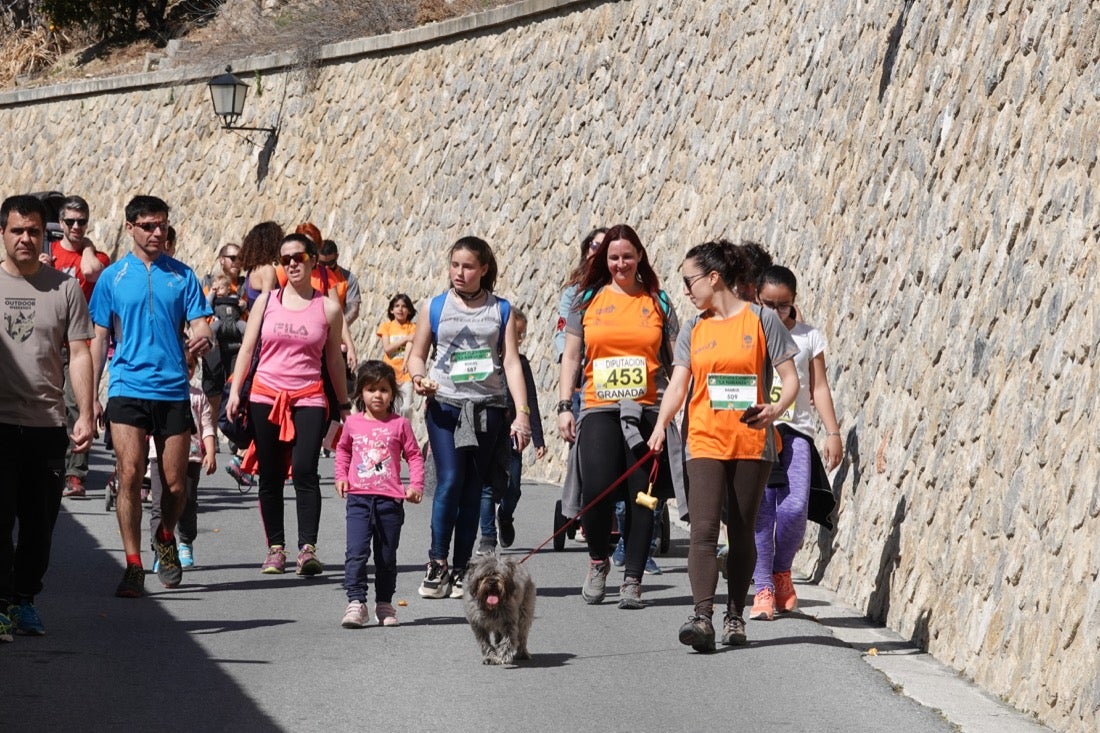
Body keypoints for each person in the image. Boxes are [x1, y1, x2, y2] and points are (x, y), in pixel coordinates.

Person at [647, 239, 800, 651]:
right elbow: (679, 382)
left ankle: (735, 616)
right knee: (702, 531)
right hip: (704, 439)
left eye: (688, 280)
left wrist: (774, 409)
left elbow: (791, 381)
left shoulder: (762, 320)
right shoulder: (694, 328)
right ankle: (702, 617)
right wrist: (662, 425)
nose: (685, 289)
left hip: (752, 441)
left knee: (743, 531)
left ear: (713, 278)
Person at [89, 195, 215, 598]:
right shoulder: (113, 277)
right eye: (148, 225)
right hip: (127, 386)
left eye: (162, 225)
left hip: (173, 388)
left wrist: (203, 339)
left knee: (177, 486)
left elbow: (202, 325)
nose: (158, 232)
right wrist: (92, 394)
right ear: (131, 228)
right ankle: (133, 564)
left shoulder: (182, 276)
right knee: (129, 475)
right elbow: (98, 338)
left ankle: (165, 535)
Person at [557, 223, 680, 610]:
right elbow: (572, 356)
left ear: (640, 256)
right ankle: (598, 560)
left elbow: (679, 361)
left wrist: (676, 410)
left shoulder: (658, 301)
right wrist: (564, 405)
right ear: (602, 259)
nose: (621, 264)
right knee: (597, 492)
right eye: (613, 257)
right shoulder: (587, 299)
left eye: (628, 256)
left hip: (648, 408)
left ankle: (633, 579)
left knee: (643, 497)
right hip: (599, 406)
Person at [404, 236, 531, 600]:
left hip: (488, 407)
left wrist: (521, 415)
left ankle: (462, 569)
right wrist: (418, 378)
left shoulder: (501, 310)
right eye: (455, 265)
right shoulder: (435, 306)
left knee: (475, 488)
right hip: (445, 404)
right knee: (450, 480)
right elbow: (416, 355)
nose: (460, 273)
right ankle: (437, 562)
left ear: (484, 269)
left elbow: (511, 363)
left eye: (468, 266)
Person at [225, 233, 351, 575]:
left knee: (306, 470)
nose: (292, 263)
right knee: (271, 473)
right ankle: (275, 549)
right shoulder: (267, 302)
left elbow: (334, 362)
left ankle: (307, 549)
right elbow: (248, 350)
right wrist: (236, 390)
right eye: (285, 259)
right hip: (266, 394)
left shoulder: (327, 307)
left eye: (298, 257)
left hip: (308, 397)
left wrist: (343, 404)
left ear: (312, 259)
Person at [0, 195, 95, 639]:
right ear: (3, 234)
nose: (25, 238)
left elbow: (79, 353)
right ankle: (1, 603)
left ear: (46, 235)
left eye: (33, 231)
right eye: (17, 230)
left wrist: (87, 412)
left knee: (40, 526)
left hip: (46, 425)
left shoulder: (65, 288)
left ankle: (24, 600)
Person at [750, 265, 843, 620]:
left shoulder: (808, 337)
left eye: (783, 306)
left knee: (793, 508)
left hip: (797, 431)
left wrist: (832, 432)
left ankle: (781, 570)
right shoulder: (749, 334)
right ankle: (763, 587)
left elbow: (819, 387)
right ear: (756, 298)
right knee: (762, 511)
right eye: (768, 304)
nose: (775, 313)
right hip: (757, 432)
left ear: (794, 303)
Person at [335, 361, 424, 628]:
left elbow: (415, 456)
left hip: (390, 502)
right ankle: (356, 602)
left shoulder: (400, 425)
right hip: (359, 500)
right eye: (371, 389)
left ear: (393, 394)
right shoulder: (352, 423)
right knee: (356, 552)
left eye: (384, 389)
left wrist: (416, 485)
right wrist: (340, 476)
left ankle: (384, 604)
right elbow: (343, 451)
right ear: (360, 392)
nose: (378, 395)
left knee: (386, 556)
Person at [42, 195, 110, 500]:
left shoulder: (96, 256)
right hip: (47, 340)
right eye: (69, 221)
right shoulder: (47, 252)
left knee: (77, 405)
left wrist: (86, 246)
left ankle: (75, 474)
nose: (76, 226)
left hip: (79, 342)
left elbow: (95, 273)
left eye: (82, 221)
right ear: (61, 222)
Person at [478, 308, 545, 555]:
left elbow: (531, 400)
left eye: (521, 334)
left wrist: (537, 436)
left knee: (513, 487)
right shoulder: (483, 360)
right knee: (486, 487)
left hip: (512, 435)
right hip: (486, 430)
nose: (517, 338)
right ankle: (487, 538)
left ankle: (505, 516)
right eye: (513, 333)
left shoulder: (521, 364)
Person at [147, 351, 217, 570]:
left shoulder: (197, 396)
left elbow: (207, 426)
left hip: (191, 457)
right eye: (181, 365)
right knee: (159, 503)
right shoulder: (158, 393)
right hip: (158, 456)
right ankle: (161, 549)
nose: (185, 370)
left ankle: (185, 542)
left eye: (189, 366)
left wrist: (211, 452)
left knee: (186, 502)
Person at [201, 243, 246, 427]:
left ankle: (234, 430)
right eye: (232, 258)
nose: (237, 262)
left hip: (237, 345)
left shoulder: (244, 285)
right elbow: (202, 310)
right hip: (215, 344)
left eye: (240, 258)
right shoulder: (209, 282)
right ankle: (210, 431)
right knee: (213, 390)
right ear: (221, 260)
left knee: (237, 387)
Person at [376, 293, 417, 422]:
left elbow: (411, 344)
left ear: (409, 310)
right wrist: (405, 338)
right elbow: (387, 349)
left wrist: (405, 362)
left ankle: (405, 433)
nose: (400, 309)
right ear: (391, 310)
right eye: (397, 306)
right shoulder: (386, 327)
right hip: (389, 375)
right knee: (390, 408)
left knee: (405, 408)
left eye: (404, 306)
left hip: (406, 375)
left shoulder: (413, 327)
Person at [319, 239, 361, 326]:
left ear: (337, 256)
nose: (326, 267)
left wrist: (337, 329)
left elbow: (353, 310)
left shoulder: (349, 279)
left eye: (330, 263)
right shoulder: (309, 275)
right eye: (322, 263)